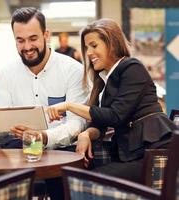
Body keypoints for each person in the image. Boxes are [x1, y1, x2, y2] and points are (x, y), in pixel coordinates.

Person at [47, 18, 177, 183]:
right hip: (133, 153)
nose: (88, 53)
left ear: (112, 44)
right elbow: (101, 125)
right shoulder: (105, 81)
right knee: (70, 172)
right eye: (87, 48)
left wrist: (69, 106)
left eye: (94, 46)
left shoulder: (132, 68)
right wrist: (86, 133)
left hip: (156, 154)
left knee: (84, 180)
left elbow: (116, 116)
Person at [0, 7, 89, 199]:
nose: (27, 47)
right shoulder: (7, 74)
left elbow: (77, 124)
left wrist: (44, 136)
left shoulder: (73, 71)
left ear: (46, 35)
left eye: (33, 38)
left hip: (61, 151)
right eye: (20, 40)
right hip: (17, 150)